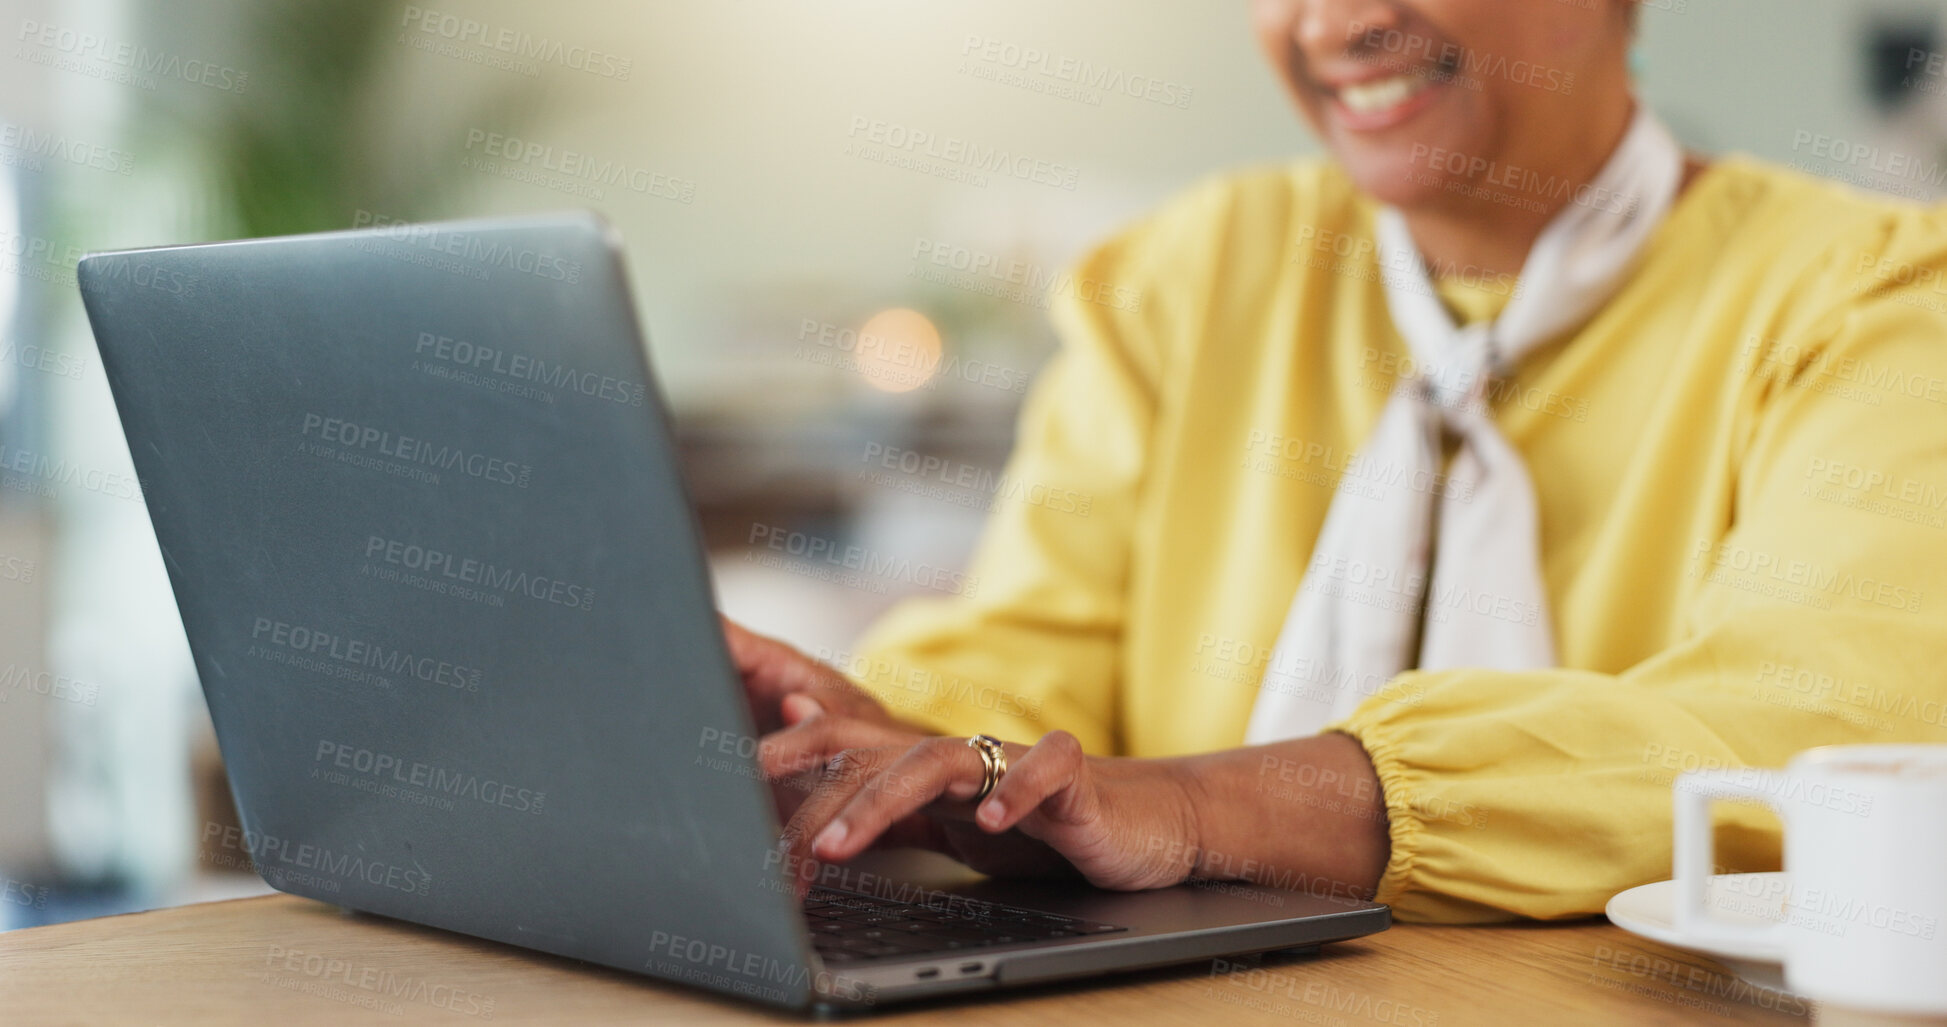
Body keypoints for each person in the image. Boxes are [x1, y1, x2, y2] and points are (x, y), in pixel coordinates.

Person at [727, 0, 1947, 922]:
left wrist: (1205, 807)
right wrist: (886, 746)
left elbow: (1819, 733)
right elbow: (1039, 646)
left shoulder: (1876, 302)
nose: (1337, 23)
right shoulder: (1190, 277)